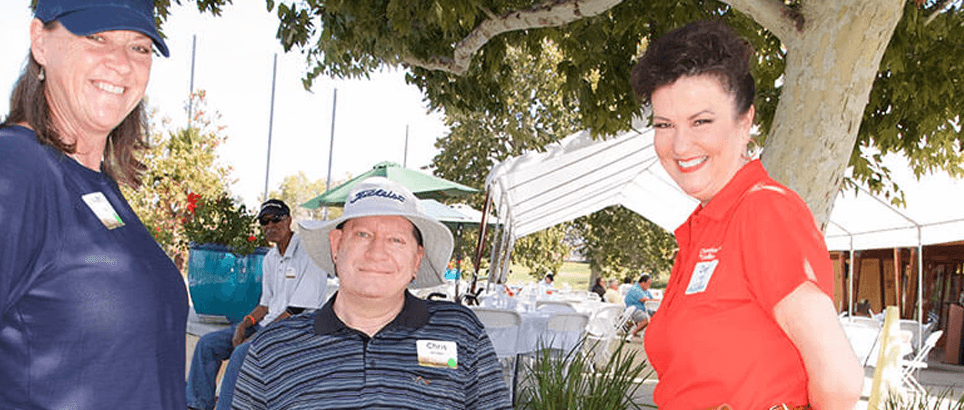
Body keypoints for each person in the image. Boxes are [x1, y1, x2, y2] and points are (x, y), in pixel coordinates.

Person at [631, 20, 863, 409]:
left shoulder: (764, 209)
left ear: (745, 121)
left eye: (701, 121)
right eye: (664, 125)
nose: (680, 144)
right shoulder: (704, 227)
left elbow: (840, 380)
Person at [0, 1, 188, 408]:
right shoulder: (15, 168)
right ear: (40, 41)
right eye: (96, 37)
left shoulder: (98, 187)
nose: (121, 63)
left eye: (139, 47)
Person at [230, 177, 512, 409]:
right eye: (362, 235)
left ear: (417, 259)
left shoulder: (460, 332)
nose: (377, 252)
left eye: (396, 240)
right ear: (336, 246)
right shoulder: (272, 349)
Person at [187, 199, 328, 410]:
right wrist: (244, 325)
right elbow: (265, 305)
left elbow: (295, 310)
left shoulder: (308, 253)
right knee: (207, 344)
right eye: (265, 221)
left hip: (295, 330)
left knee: (242, 353)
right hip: (267, 326)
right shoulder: (270, 258)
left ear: (289, 220)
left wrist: (256, 337)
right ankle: (197, 405)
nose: (270, 225)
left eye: (276, 219)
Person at [623, 274, 659, 339]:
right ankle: (633, 333)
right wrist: (656, 300)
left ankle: (654, 334)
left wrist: (657, 300)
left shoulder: (646, 291)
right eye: (648, 283)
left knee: (658, 314)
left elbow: (651, 299)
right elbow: (644, 299)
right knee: (646, 319)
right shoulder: (635, 289)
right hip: (633, 310)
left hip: (643, 309)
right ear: (643, 283)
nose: (649, 285)